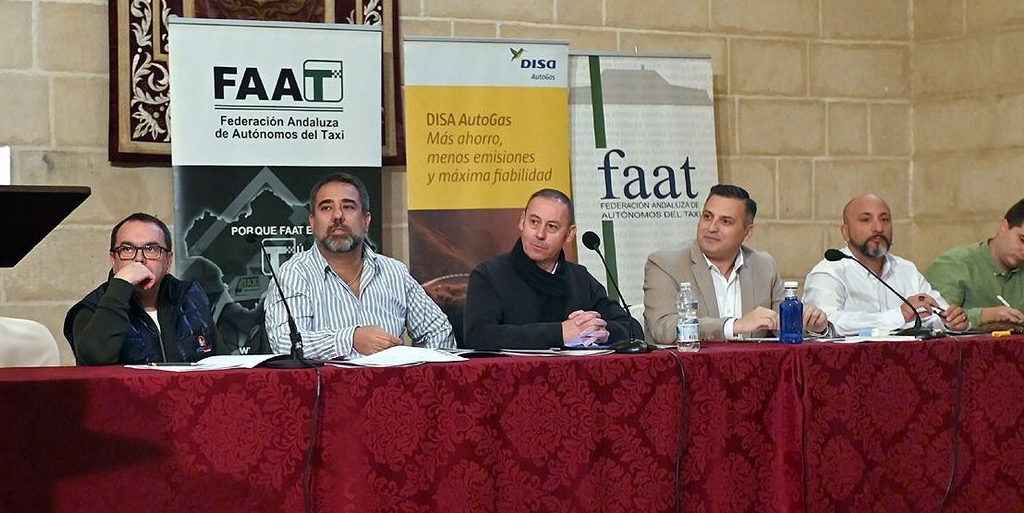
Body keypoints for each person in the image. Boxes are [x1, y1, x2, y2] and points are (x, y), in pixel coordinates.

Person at [265, 172, 455, 358]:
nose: (338, 216)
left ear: (366, 220)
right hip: (324, 388)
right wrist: (351, 338)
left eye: (348, 207)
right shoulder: (294, 274)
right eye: (326, 208)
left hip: (389, 387)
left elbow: (439, 331)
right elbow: (285, 344)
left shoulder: (394, 272)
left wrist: (418, 378)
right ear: (312, 223)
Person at [642, 183, 828, 344]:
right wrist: (733, 325)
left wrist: (813, 326)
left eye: (725, 221)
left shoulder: (763, 266)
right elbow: (662, 327)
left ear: (747, 233)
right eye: (707, 216)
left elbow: (784, 326)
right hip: (690, 377)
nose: (712, 227)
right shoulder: (665, 264)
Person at [462, 188, 643, 349]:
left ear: (569, 234)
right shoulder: (489, 275)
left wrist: (601, 332)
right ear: (522, 221)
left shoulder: (579, 278)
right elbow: (478, 335)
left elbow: (633, 329)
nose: (540, 234)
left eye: (552, 226)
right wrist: (560, 333)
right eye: (534, 222)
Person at [804, 193, 968, 333]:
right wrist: (899, 315)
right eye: (866, 220)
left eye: (884, 219)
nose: (878, 228)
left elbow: (935, 314)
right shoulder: (829, 272)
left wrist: (951, 321)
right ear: (845, 232)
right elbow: (827, 324)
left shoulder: (906, 270)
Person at [66, 212, 216, 363]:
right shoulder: (90, 309)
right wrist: (122, 284)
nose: (139, 259)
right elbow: (93, 361)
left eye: (151, 249)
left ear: (168, 261)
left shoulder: (191, 296)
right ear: (113, 260)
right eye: (127, 249)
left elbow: (219, 360)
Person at [926, 197, 1024, 325]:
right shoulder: (954, 264)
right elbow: (935, 320)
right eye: (1023, 240)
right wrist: (984, 316)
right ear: (1003, 226)